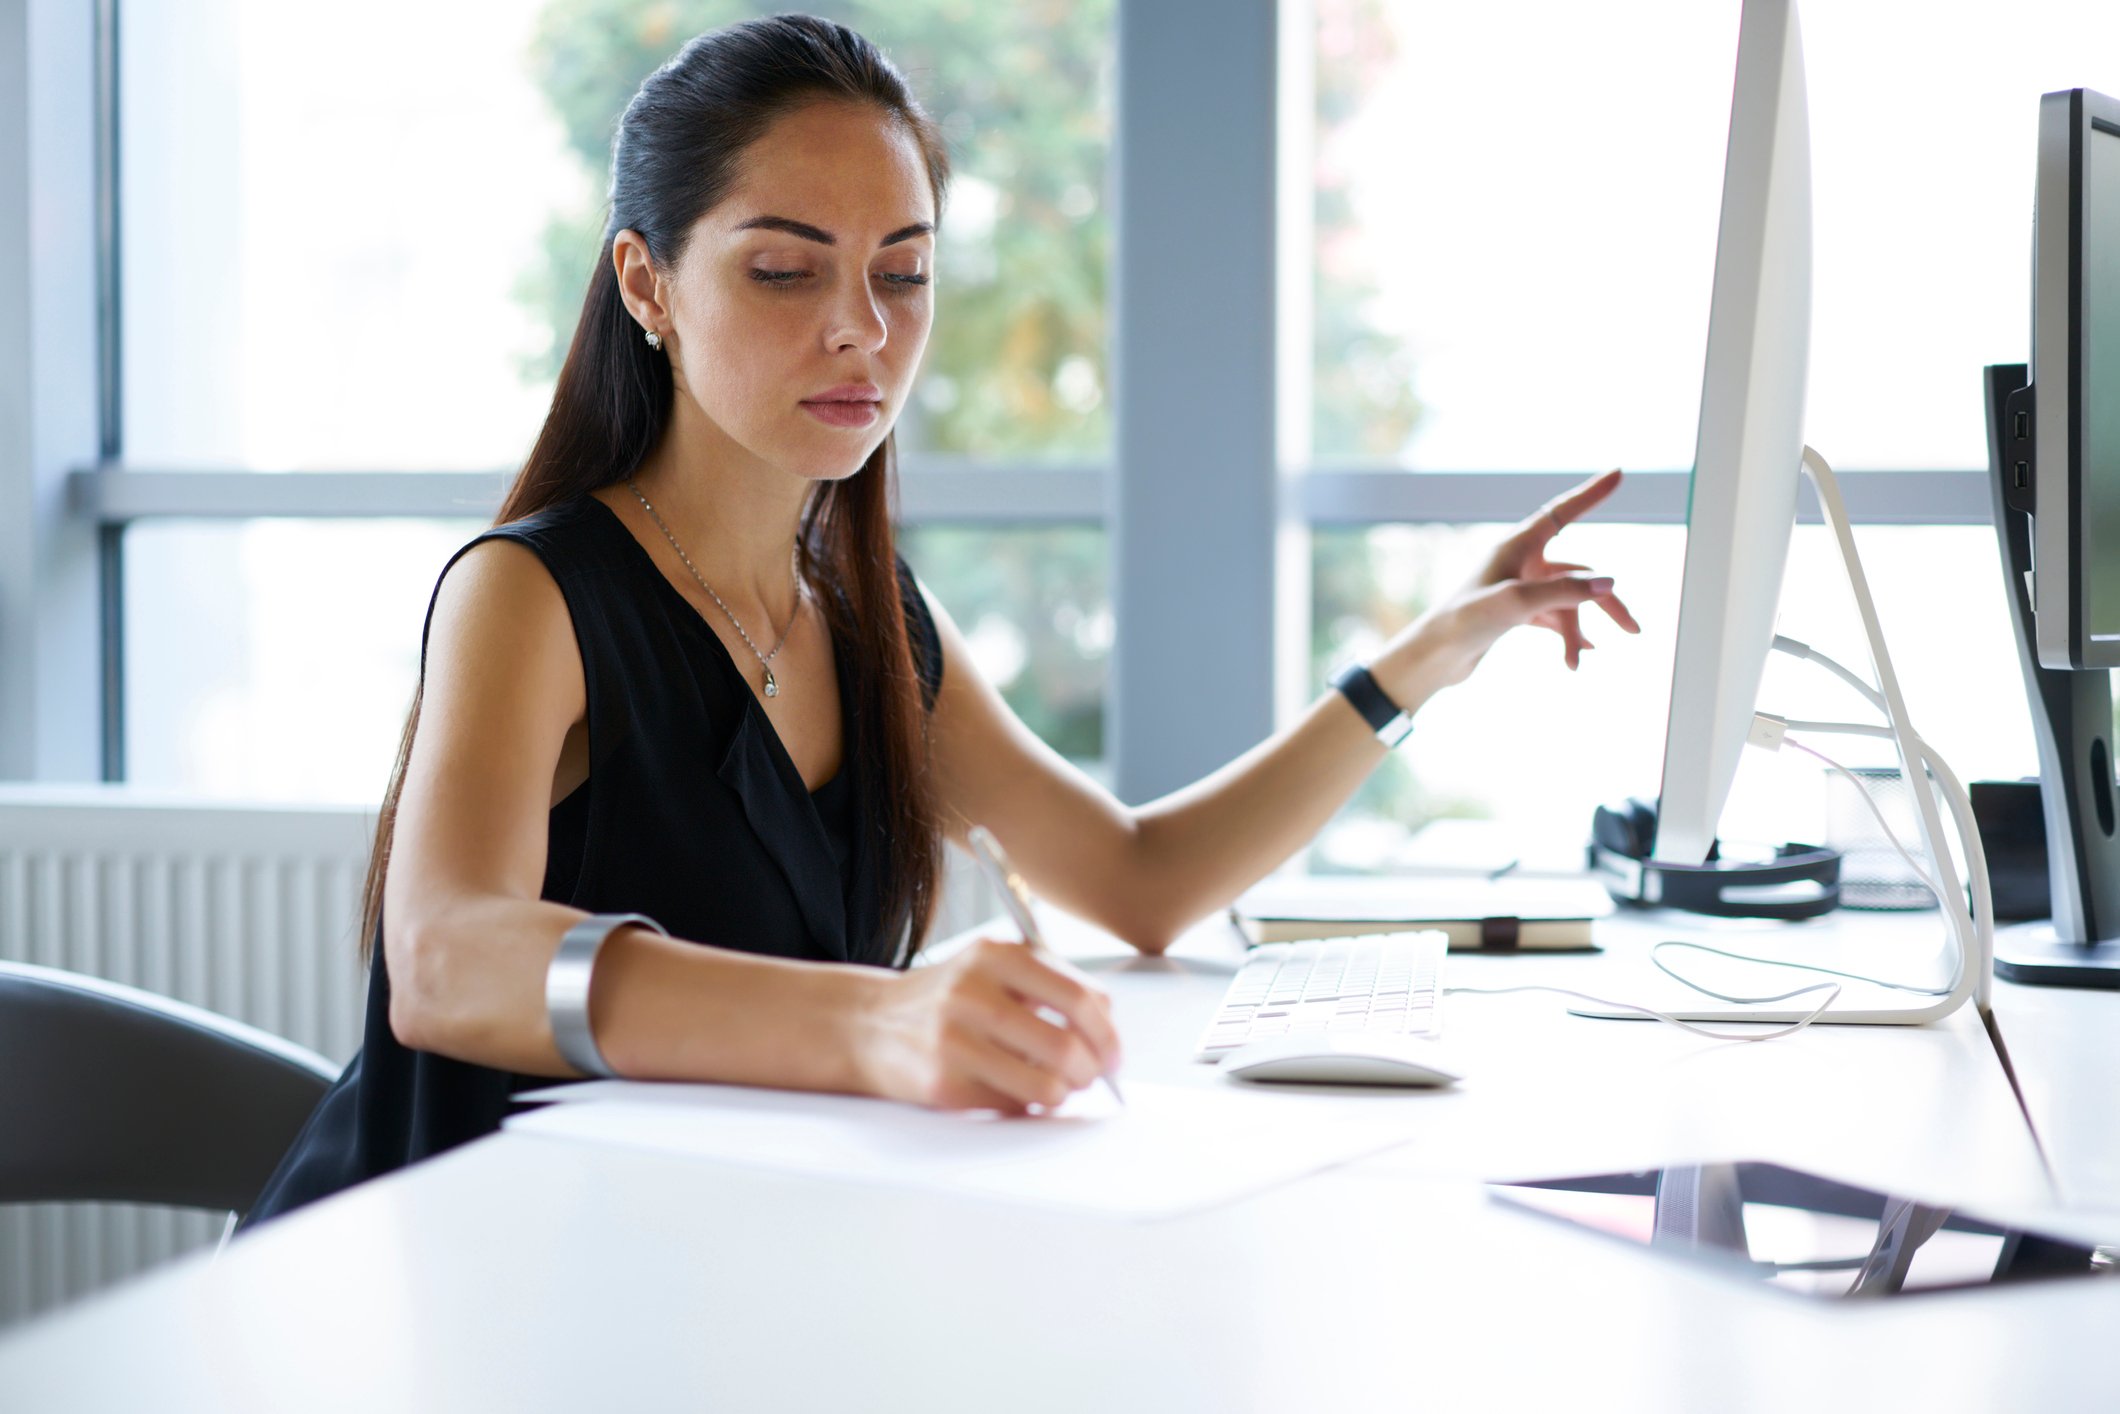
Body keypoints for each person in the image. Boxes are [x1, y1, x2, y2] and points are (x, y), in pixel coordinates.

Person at [239, 14, 1636, 1232]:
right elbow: (442, 961)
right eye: (785, 271)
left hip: (699, 1263)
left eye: (902, 273)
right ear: (647, 284)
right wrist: (880, 1022)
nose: (862, 329)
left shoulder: (867, 617)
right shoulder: (531, 590)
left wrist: (1427, 658)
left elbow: (1138, 877)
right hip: (448, 1277)